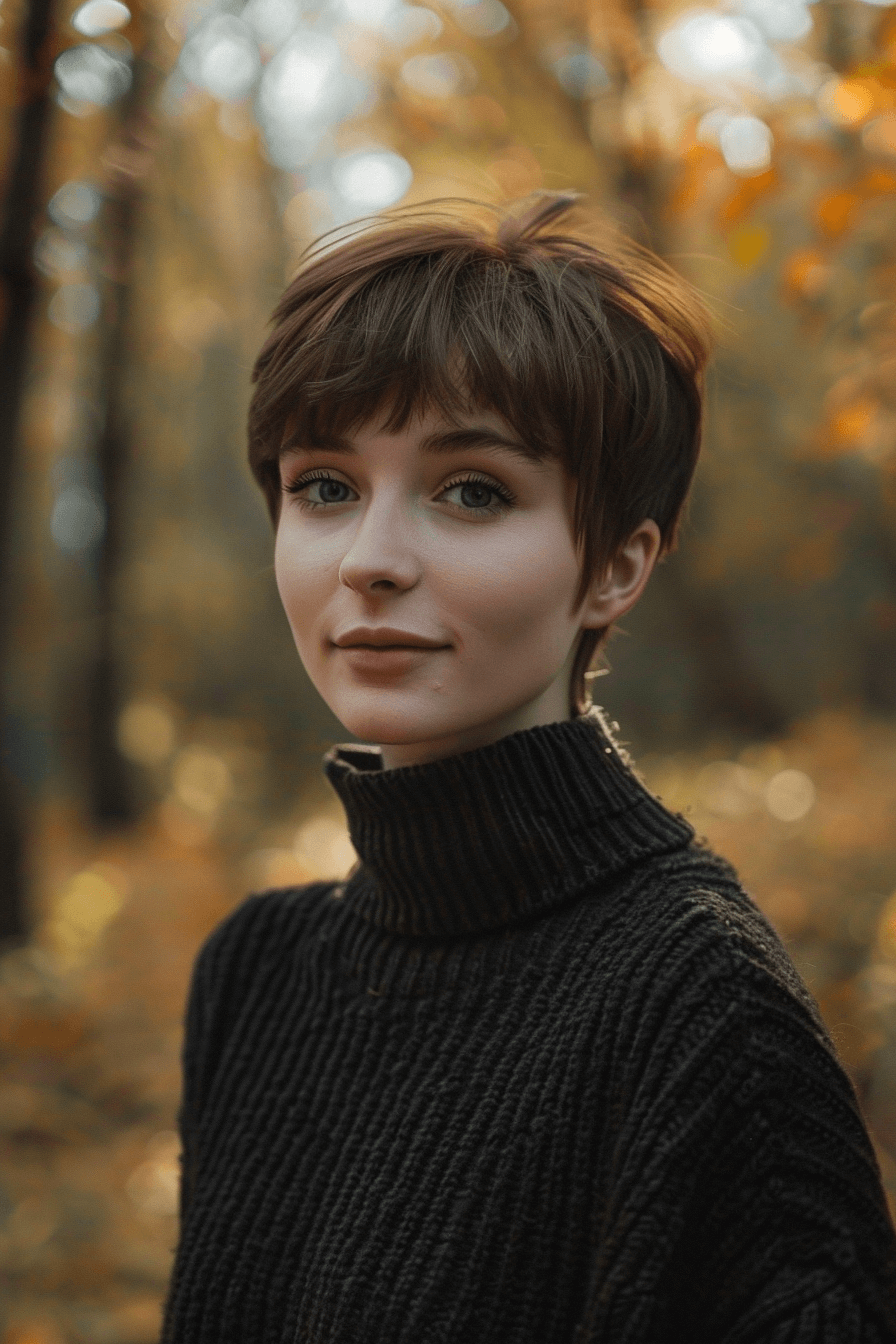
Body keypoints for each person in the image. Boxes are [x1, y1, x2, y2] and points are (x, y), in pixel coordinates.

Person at [161, 193, 896, 1343]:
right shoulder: (254, 973)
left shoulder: (702, 1010)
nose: (369, 561)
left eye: (472, 491)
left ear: (612, 566)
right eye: (324, 487)